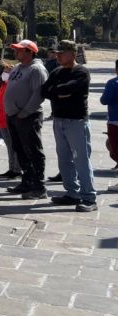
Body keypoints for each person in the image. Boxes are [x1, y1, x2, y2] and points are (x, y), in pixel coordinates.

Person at [41, 40, 96, 212]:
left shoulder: (81, 72)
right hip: (59, 119)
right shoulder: (56, 72)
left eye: (61, 53)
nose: (58, 56)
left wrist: (58, 91)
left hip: (76, 121)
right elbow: (44, 90)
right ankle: (72, 193)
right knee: (64, 159)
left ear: (72, 54)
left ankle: (89, 198)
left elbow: (69, 88)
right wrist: (60, 93)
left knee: (81, 160)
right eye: (57, 53)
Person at [3, 40, 49, 200]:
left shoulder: (36, 69)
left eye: (20, 50)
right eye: (16, 49)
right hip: (13, 116)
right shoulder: (18, 67)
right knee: (20, 150)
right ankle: (27, 181)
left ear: (30, 52)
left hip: (28, 116)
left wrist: (25, 112)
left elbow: (39, 94)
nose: (16, 52)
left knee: (33, 151)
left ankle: (39, 187)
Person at [100, 58, 118, 171]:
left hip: (115, 120)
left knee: (113, 146)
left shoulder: (113, 83)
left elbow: (104, 100)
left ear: (116, 69)